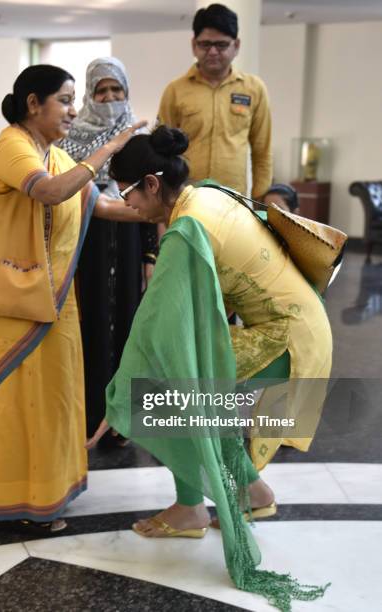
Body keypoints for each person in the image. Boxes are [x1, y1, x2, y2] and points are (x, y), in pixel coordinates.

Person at [86, 126, 332, 610]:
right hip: (303, 324)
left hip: (286, 338)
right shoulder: (207, 193)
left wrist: (117, 395)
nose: (126, 203)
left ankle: (191, 509)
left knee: (170, 389)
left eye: (128, 191)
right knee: (191, 384)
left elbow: (154, 322)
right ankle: (249, 492)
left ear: (152, 184)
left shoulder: (186, 228)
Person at [0, 65, 148, 534]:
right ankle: (9, 498)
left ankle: (46, 494)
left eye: (73, 99)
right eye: (65, 99)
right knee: (13, 405)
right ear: (33, 104)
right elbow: (51, 191)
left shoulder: (55, 154)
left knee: (54, 399)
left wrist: (171, 208)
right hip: (5, 302)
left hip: (51, 299)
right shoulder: (11, 147)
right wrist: (111, 146)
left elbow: (96, 206)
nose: (74, 109)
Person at [59, 57, 158, 442]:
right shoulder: (69, 139)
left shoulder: (138, 139)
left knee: (129, 327)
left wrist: (149, 255)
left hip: (130, 239)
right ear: (89, 94)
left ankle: (123, 419)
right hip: (89, 242)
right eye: (102, 90)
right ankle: (91, 412)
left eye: (117, 90)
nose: (110, 97)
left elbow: (151, 198)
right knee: (92, 324)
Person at [157, 3, 272, 198]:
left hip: (235, 201)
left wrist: (261, 206)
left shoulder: (254, 89)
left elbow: (262, 153)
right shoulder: (175, 91)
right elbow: (162, 153)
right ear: (194, 45)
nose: (212, 52)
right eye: (205, 44)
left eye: (221, 45)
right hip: (187, 198)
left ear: (236, 46)